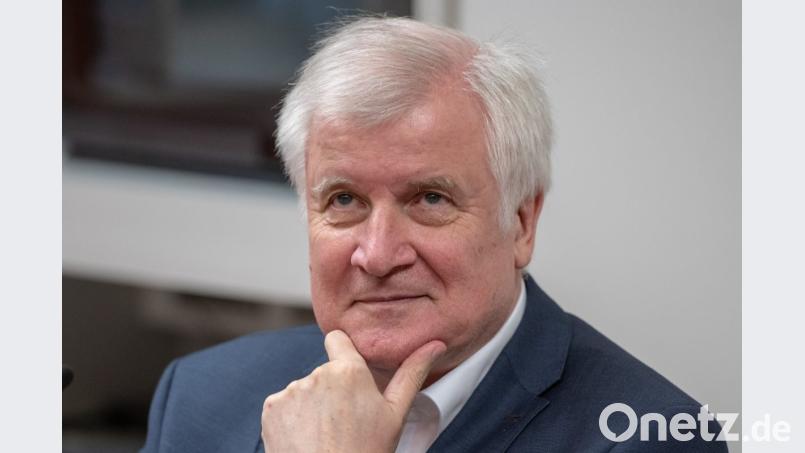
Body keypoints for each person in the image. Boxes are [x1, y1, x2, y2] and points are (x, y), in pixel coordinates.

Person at [142, 17, 728, 452]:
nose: (376, 255)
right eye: (343, 200)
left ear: (521, 223)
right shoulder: (199, 396)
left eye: (429, 200)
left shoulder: (652, 437)